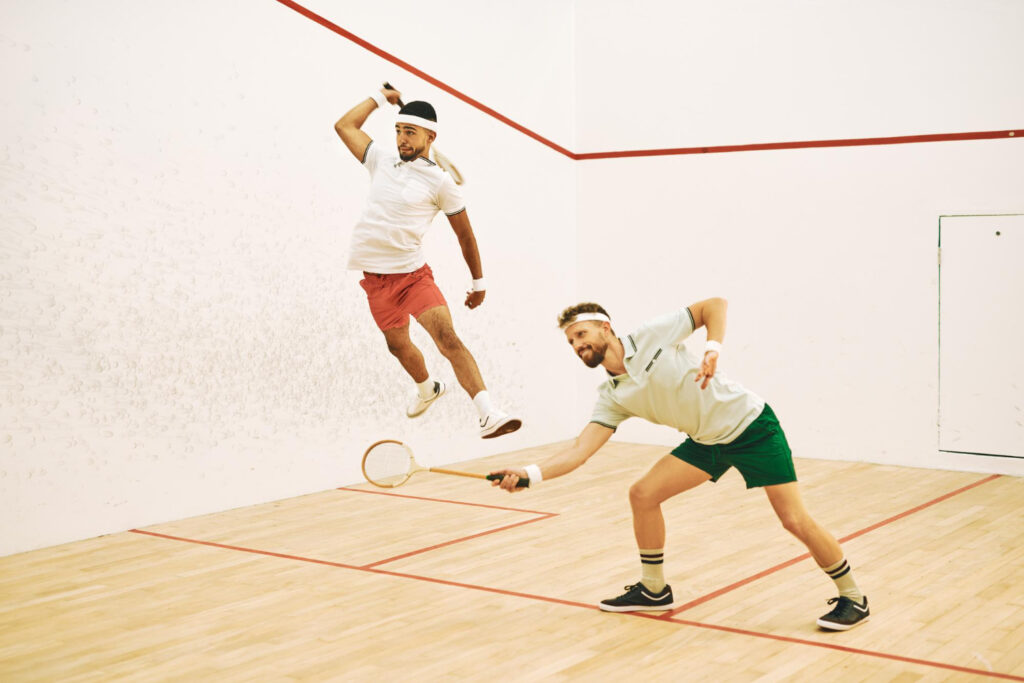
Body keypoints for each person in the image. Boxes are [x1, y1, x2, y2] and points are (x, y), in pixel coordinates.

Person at [489, 299, 869, 630]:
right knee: (642, 494)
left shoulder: (649, 336)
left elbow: (713, 305)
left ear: (606, 327)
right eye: (571, 341)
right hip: (706, 443)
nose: (577, 344)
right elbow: (579, 451)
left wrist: (712, 349)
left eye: (582, 334)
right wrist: (528, 476)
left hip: (753, 428)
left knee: (793, 520)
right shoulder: (612, 396)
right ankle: (654, 590)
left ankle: (853, 597)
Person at [334, 85, 521, 439]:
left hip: (412, 277)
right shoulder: (381, 160)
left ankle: (488, 412)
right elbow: (345, 126)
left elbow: (465, 236)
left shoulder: (441, 183)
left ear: (430, 136)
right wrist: (378, 97)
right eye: (399, 131)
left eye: (410, 132)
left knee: (447, 337)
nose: (402, 139)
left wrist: (478, 283)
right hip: (375, 282)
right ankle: (427, 389)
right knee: (397, 346)